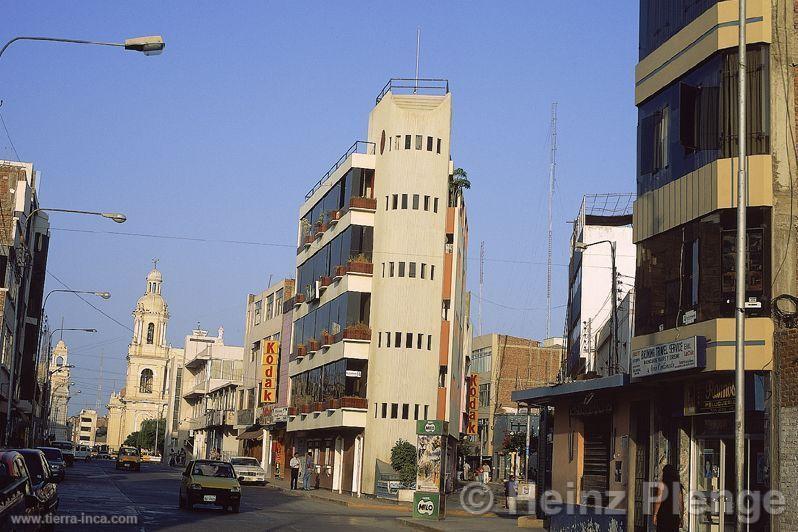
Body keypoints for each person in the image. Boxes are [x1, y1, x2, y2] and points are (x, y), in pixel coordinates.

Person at [653, 464, 684, 531]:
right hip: (674, 516)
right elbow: (681, 503)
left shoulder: (662, 485)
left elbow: (659, 501)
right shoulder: (677, 486)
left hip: (663, 515)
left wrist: (655, 514)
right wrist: (681, 517)